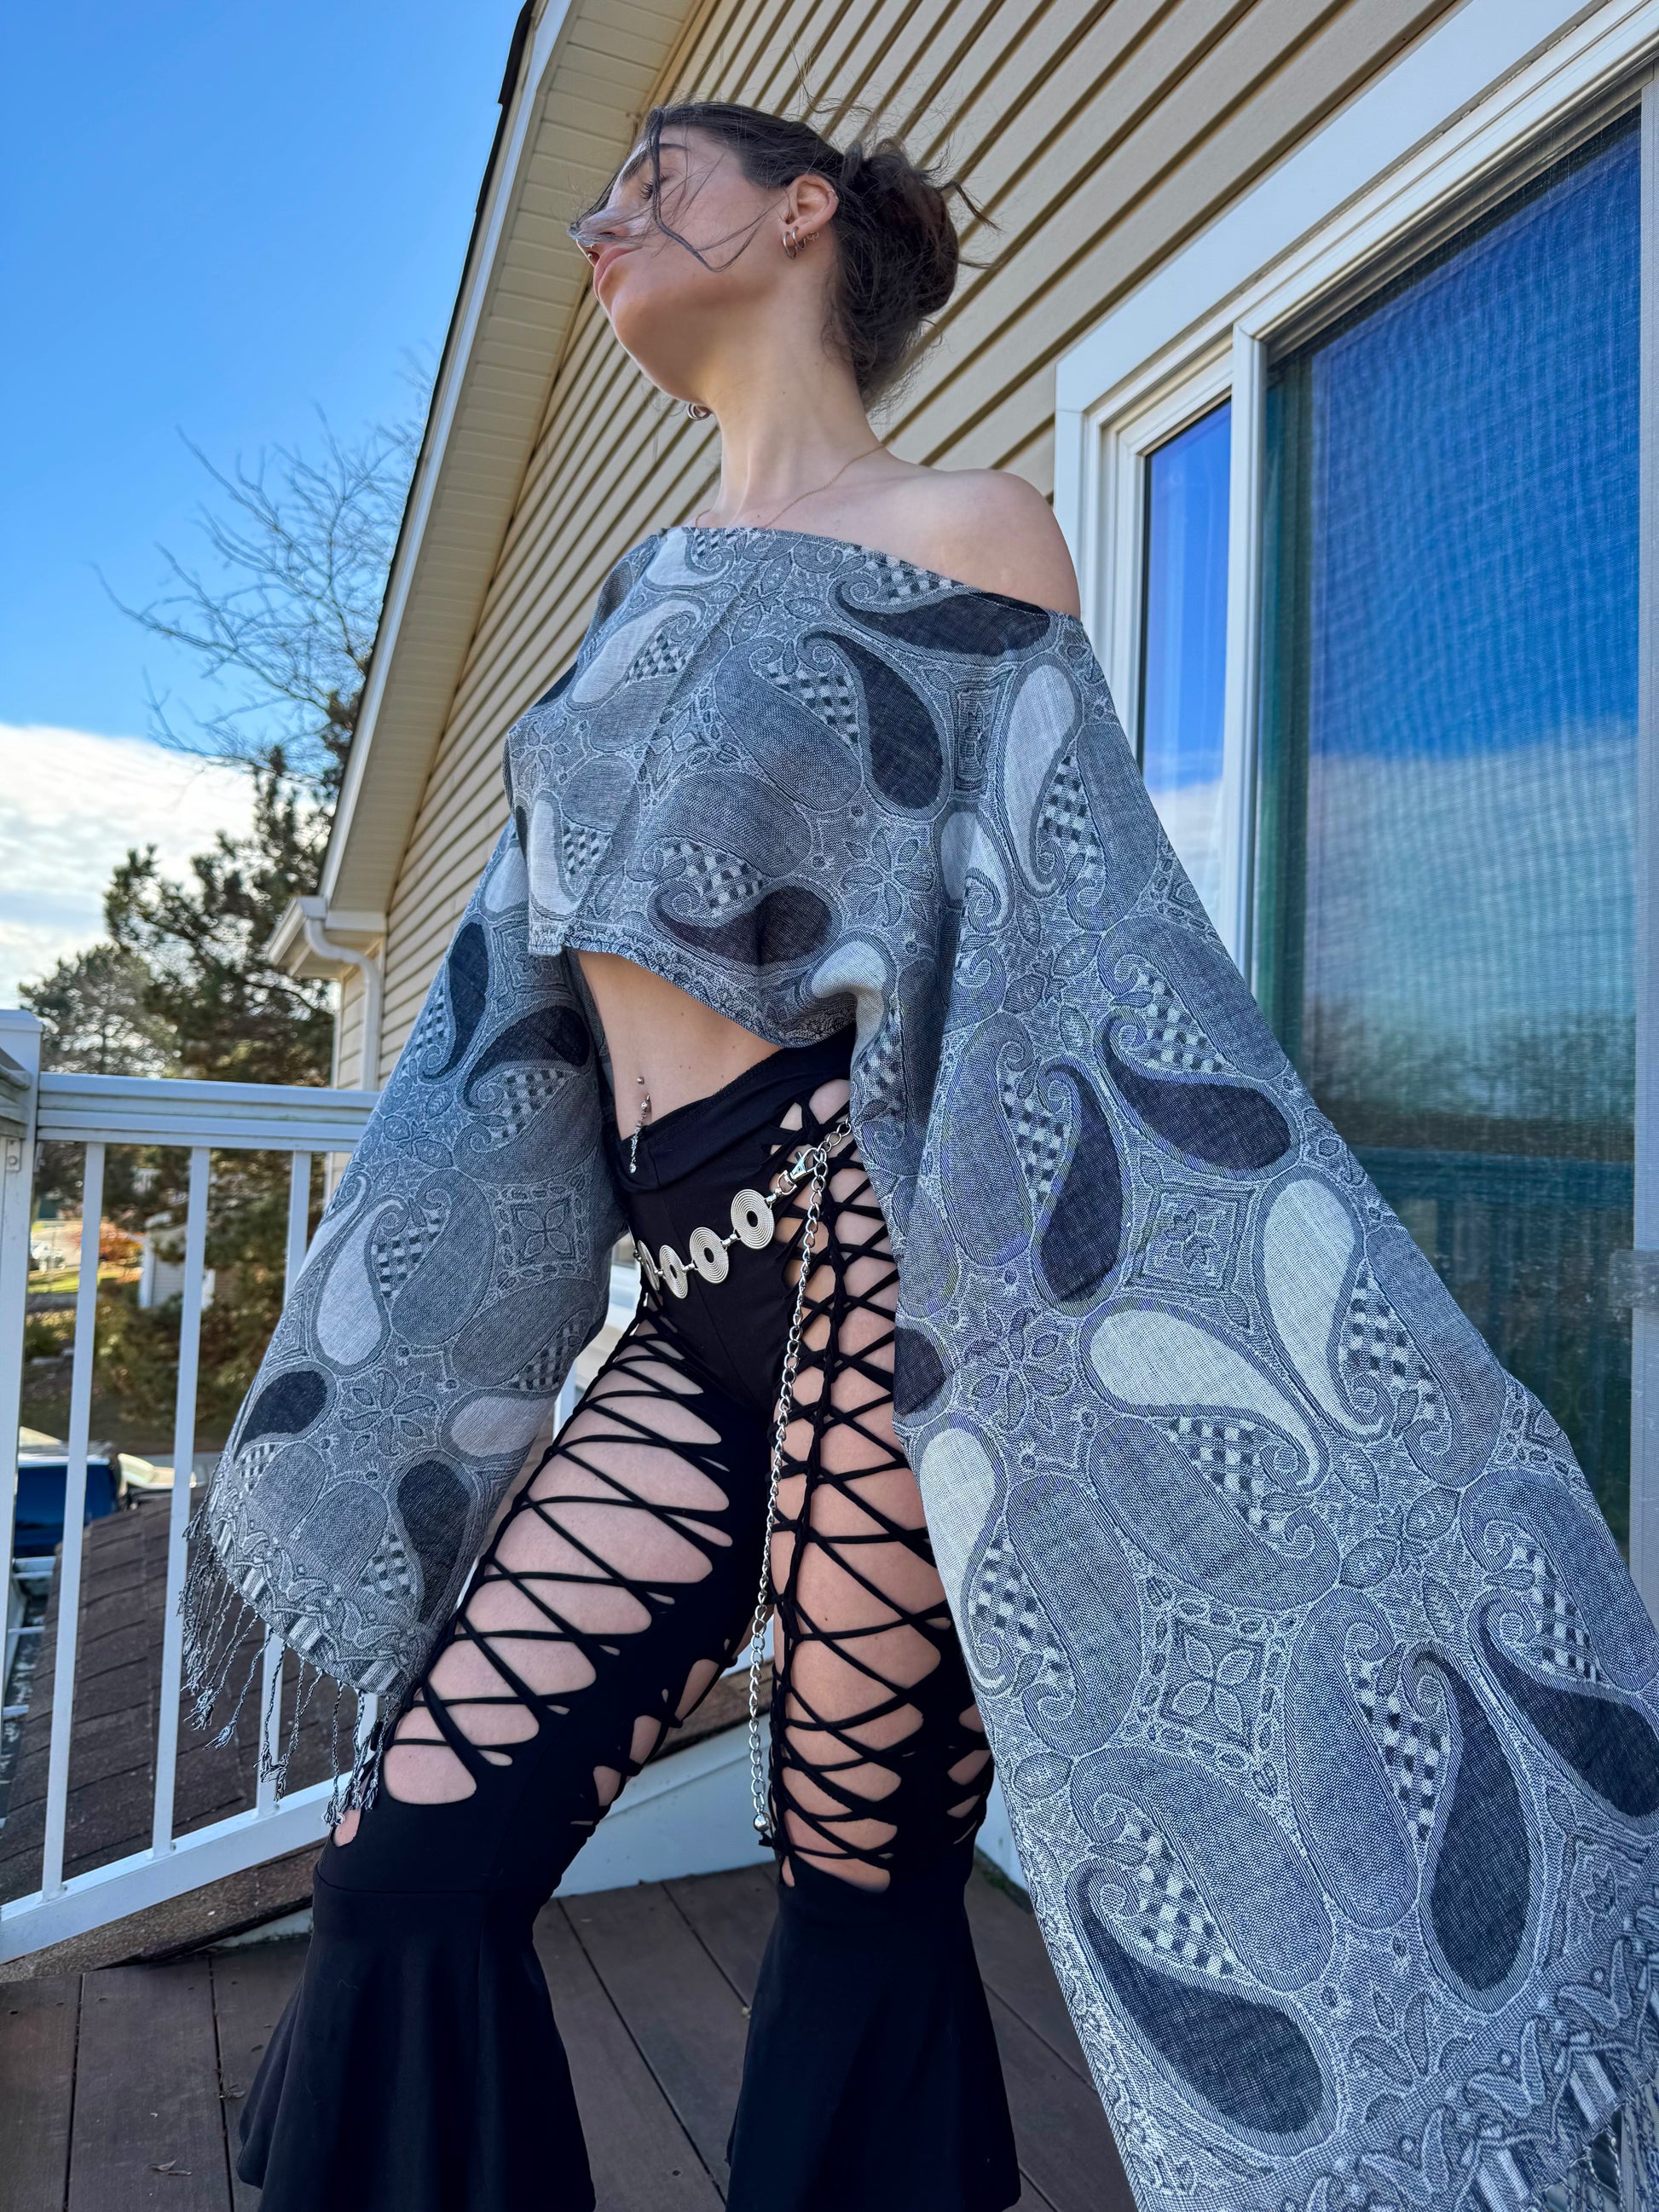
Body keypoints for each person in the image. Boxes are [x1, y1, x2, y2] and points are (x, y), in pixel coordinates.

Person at [203, 98, 1659, 2212]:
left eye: (652, 185)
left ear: (800, 215)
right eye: (600, 201)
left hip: (874, 1254)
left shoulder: (971, 530)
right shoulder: (632, 595)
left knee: (855, 1862)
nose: (605, 225)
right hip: (684, 1303)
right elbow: (524, 981)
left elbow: (1081, 942)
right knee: (407, 1858)